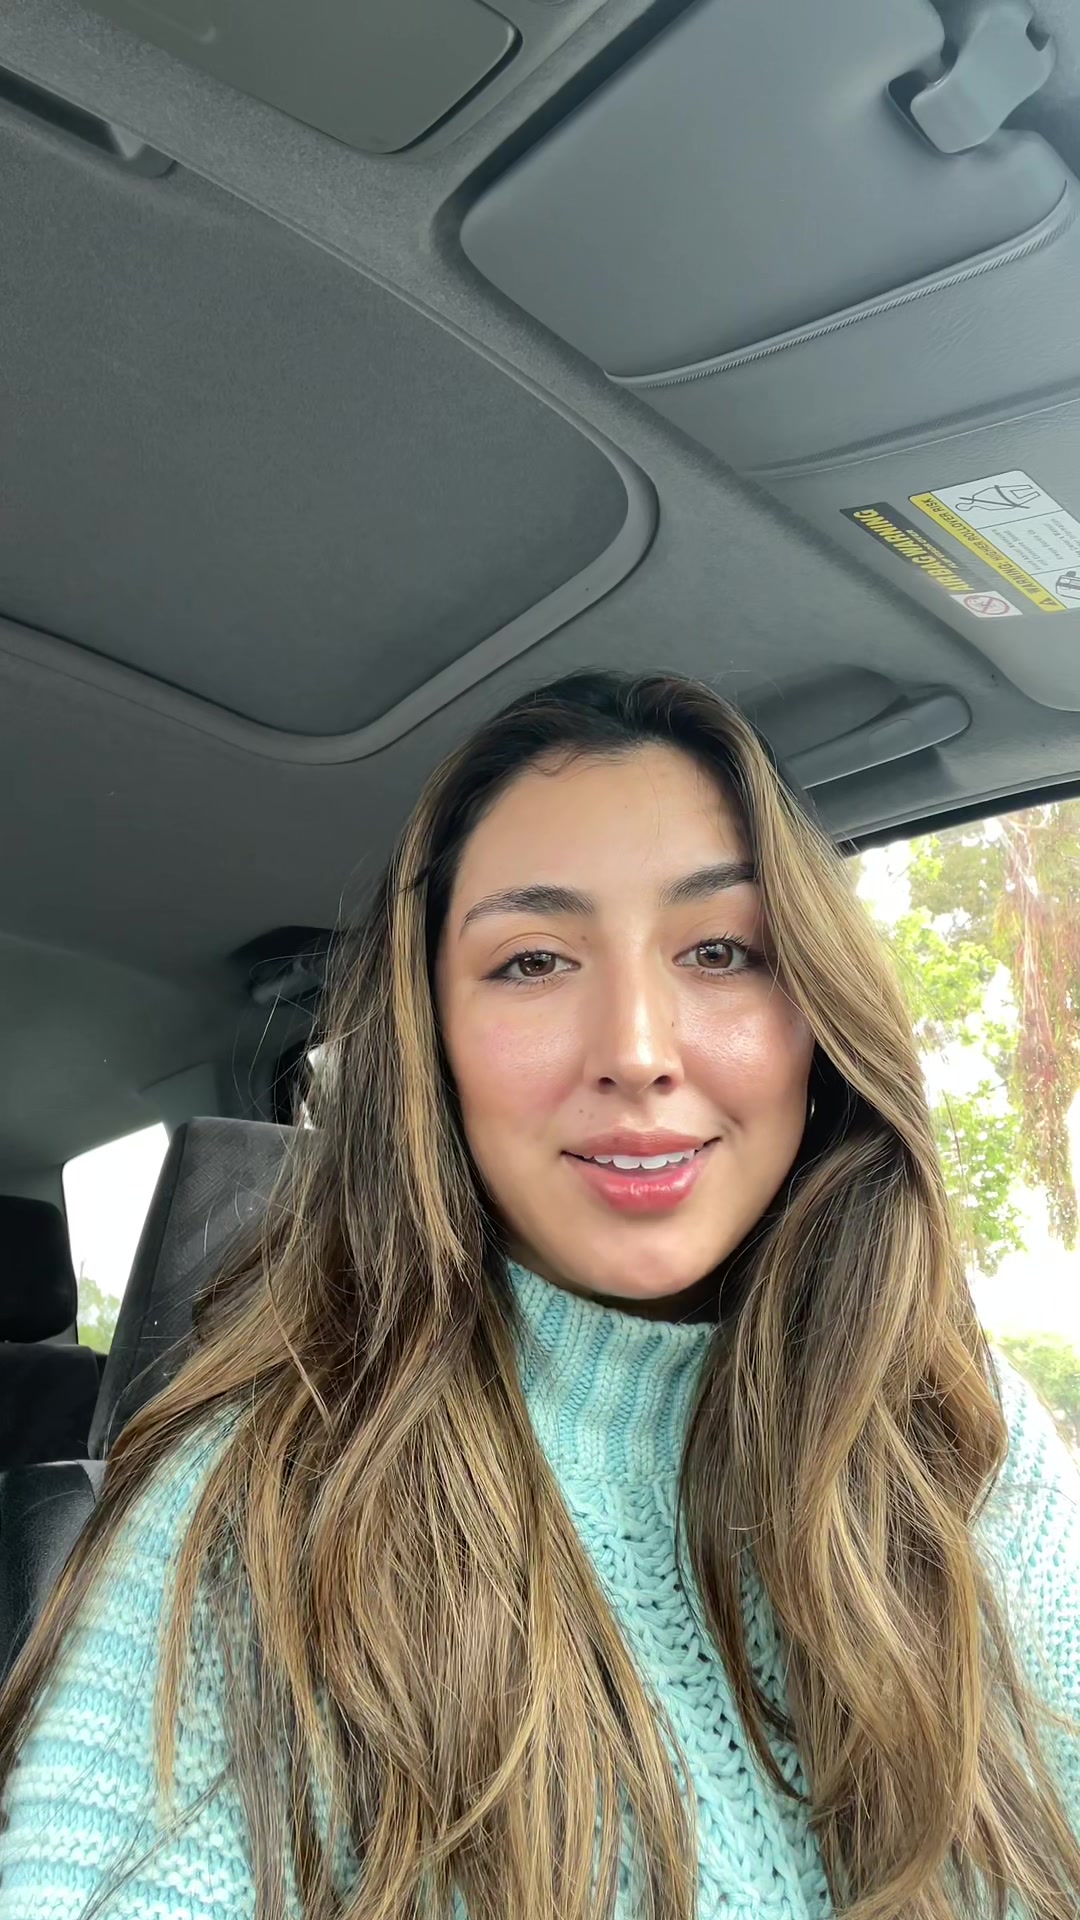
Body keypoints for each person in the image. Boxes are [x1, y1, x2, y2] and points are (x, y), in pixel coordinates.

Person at [1, 670, 1078, 1920]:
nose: (636, 1050)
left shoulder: (964, 1440)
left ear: (817, 1016)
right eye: (532, 961)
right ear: (432, 1044)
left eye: (721, 951)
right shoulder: (259, 1509)